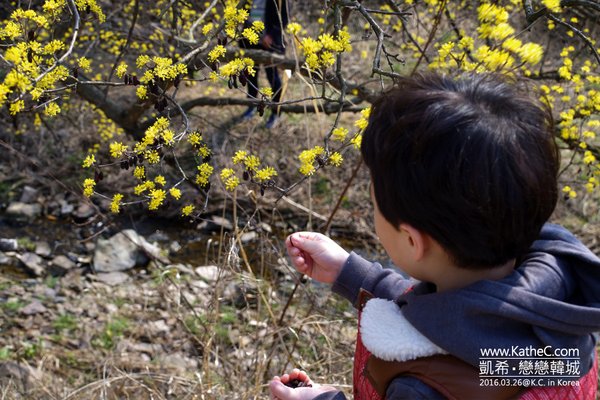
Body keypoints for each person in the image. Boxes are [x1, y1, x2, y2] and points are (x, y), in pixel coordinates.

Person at [269, 73, 600, 400]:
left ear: (413, 242)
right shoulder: (558, 311)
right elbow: (456, 317)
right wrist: (350, 273)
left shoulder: (421, 388)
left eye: (375, 205)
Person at [239, 0, 288, 129]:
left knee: (273, 78)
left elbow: (284, 19)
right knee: (250, 76)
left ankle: (276, 112)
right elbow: (244, 15)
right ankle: (252, 105)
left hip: (269, 44)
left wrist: (271, 36)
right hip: (249, 42)